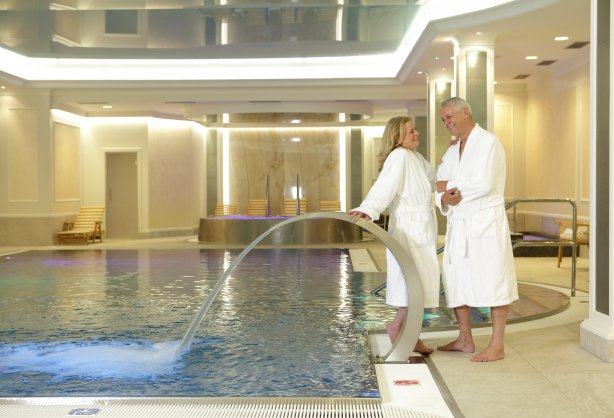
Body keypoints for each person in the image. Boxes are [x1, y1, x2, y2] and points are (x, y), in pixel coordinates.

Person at [435, 97, 518, 362]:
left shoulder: (488, 142)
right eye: (443, 119)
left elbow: (483, 183)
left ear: (466, 112)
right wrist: (443, 196)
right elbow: (438, 181)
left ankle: (497, 344)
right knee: (455, 279)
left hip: (485, 221)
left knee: (494, 278)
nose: (446, 122)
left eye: (449, 116)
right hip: (459, 223)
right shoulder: (452, 150)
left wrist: (449, 188)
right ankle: (464, 338)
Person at [349, 116, 440, 355]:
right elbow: (384, 187)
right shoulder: (399, 156)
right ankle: (398, 327)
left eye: (415, 129)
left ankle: (411, 334)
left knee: (419, 283)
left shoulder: (416, 158)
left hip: (421, 226)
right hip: (408, 228)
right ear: (397, 137)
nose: (416, 133)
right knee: (412, 282)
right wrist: (368, 209)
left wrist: (454, 157)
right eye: (410, 131)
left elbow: (435, 181)